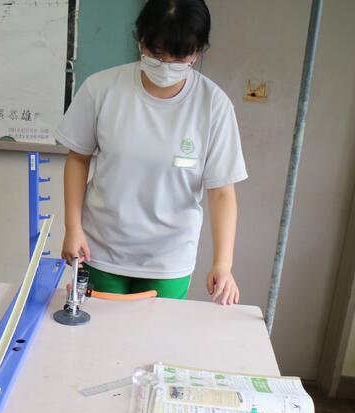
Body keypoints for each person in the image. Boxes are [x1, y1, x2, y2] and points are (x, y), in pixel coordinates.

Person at [57, 0, 247, 305]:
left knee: (157, 334)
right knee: (98, 331)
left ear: (198, 51)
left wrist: (223, 265)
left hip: (168, 260)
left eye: (179, 57)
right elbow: (78, 159)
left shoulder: (214, 105)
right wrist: (72, 228)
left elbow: (222, 191)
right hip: (100, 248)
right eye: (156, 54)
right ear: (140, 40)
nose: (166, 65)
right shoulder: (102, 89)